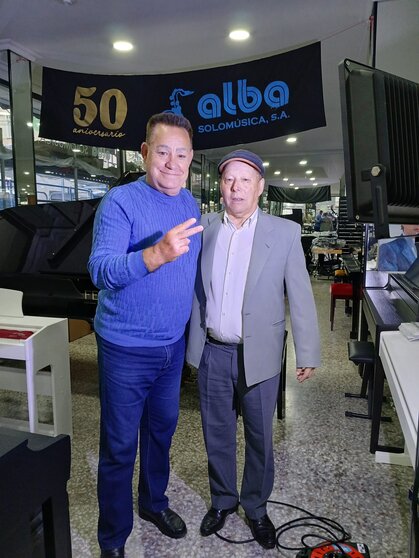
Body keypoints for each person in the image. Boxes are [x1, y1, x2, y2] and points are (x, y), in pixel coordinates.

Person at [186, 149, 321, 549]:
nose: (236, 187)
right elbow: (193, 291)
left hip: (258, 355)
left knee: (260, 436)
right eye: (229, 179)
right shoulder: (204, 227)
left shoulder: (283, 233)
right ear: (221, 186)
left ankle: (257, 508)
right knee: (217, 433)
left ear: (261, 187)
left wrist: (308, 351)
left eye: (246, 180)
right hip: (213, 351)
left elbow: (299, 294)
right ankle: (223, 500)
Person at [88, 112, 203, 558]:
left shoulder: (189, 204)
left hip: (170, 348)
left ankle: (153, 503)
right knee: (119, 446)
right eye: (162, 152)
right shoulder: (119, 202)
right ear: (144, 153)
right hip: (124, 347)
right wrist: (154, 254)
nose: (172, 163)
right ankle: (112, 539)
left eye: (181, 154)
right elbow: (100, 270)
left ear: (191, 158)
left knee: (161, 432)